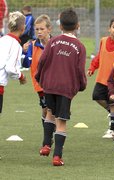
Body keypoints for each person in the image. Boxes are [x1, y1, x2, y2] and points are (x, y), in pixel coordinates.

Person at [35, 8, 87, 166]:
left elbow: (42, 61)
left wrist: (39, 78)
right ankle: (57, 156)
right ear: (77, 25)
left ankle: (45, 145)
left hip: (49, 85)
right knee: (61, 121)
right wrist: (82, 85)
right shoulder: (80, 46)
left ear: (60, 26)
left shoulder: (53, 41)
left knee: (50, 112)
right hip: (65, 88)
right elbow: (79, 70)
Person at [22, 15, 55, 156]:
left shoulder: (55, 44)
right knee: (46, 110)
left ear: (49, 29)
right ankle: (49, 136)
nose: (39, 32)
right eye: (37, 29)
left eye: (42, 29)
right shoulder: (33, 45)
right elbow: (25, 64)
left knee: (51, 110)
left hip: (55, 84)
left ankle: (47, 141)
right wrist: (23, 52)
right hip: (40, 85)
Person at [87, 18, 114, 139]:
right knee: (96, 96)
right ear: (109, 28)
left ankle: (113, 130)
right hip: (102, 78)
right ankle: (113, 115)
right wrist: (92, 67)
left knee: (113, 102)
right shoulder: (103, 40)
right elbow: (99, 56)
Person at [0, 11, 27, 114]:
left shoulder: (2, 40)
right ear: (22, 28)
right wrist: (21, 77)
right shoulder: (15, 45)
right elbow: (10, 69)